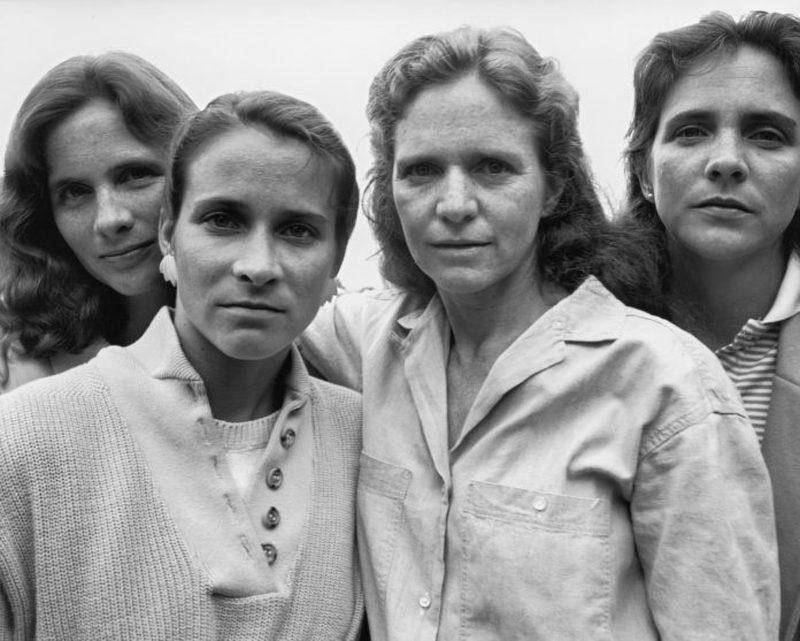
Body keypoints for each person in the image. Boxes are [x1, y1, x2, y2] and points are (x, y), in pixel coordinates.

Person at [301, 26, 779, 640]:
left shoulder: (666, 387)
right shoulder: (366, 342)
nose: (453, 203)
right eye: (420, 171)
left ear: (553, 186)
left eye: (492, 168)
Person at [0, 90, 363, 639]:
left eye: (297, 230)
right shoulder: (23, 439)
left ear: (336, 256)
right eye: (222, 220)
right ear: (169, 232)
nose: (258, 266)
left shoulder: (368, 439)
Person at [621, 11, 800, 640]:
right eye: (692, 131)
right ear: (644, 170)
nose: (726, 162)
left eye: (768, 135)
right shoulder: (570, 332)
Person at [0, 52, 196, 392]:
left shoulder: (292, 343)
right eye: (74, 192)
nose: (110, 219)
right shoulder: (21, 366)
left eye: (135, 175)